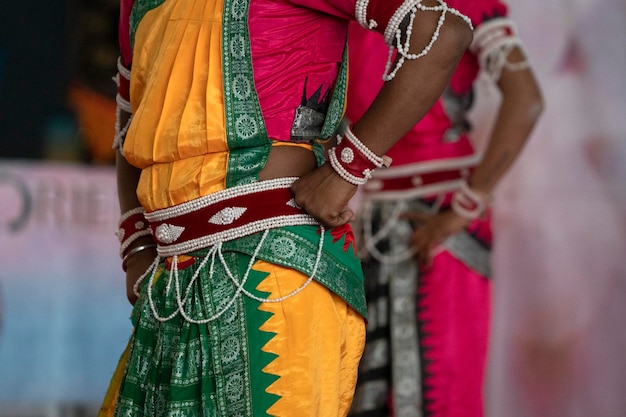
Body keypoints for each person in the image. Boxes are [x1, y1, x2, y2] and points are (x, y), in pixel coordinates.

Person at [98, 0, 473, 416]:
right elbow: (130, 112)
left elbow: (440, 32)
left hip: (273, 265)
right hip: (171, 281)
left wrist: (347, 168)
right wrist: (136, 243)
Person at [346, 1, 543, 416]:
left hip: (441, 229)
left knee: (443, 392)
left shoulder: (463, 4)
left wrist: (465, 207)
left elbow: (525, 99)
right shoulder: (351, 8)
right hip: (371, 227)